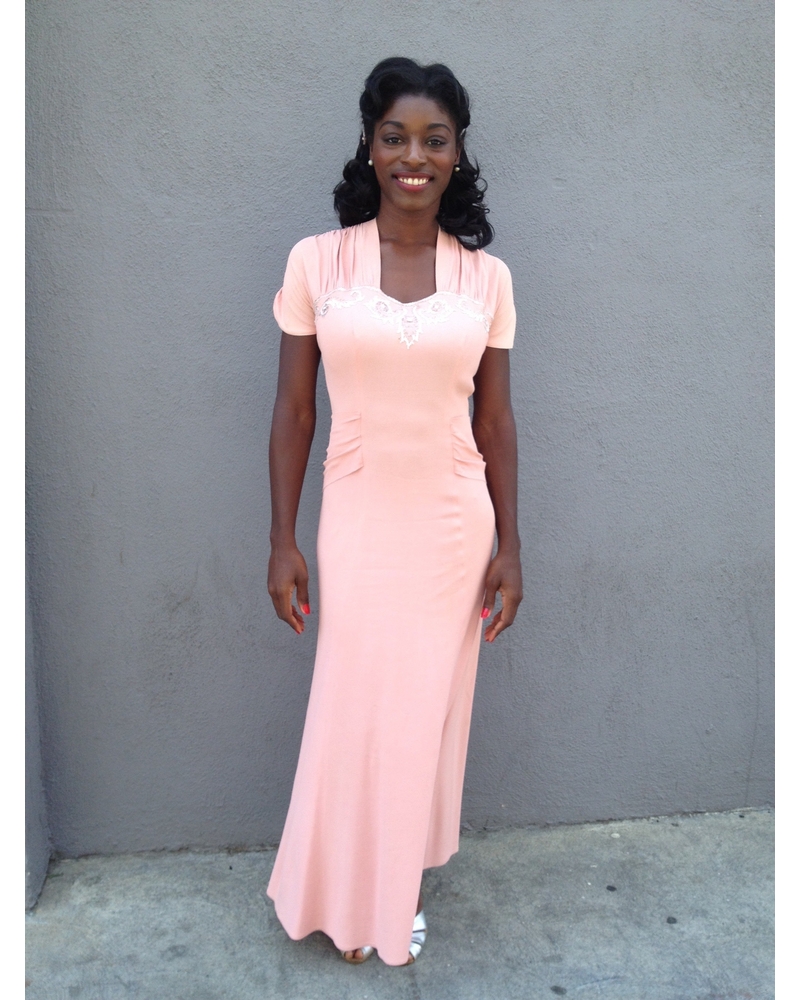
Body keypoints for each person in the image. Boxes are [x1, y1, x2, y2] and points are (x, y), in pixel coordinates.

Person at [266, 56, 522, 968]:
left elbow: (495, 420)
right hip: (358, 513)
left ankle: (390, 893)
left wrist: (512, 547)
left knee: (421, 714)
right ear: (370, 148)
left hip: (454, 526)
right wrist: (282, 540)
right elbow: (296, 412)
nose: (415, 156)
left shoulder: (487, 278)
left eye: (434, 140)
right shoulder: (317, 262)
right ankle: (338, 893)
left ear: (457, 153)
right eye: (395, 137)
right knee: (353, 704)